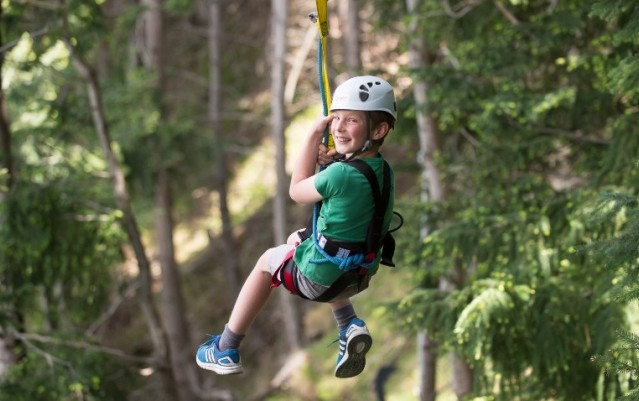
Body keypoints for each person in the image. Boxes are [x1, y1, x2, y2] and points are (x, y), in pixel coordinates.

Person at [195, 75, 398, 379]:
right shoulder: (381, 170)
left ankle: (227, 346)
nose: (339, 127)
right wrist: (332, 161)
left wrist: (313, 136)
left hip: (322, 278)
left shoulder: (340, 175)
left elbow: (297, 190)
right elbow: (349, 194)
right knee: (296, 240)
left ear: (379, 129)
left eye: (351, 120)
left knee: (266, 263)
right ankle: (348, 323)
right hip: (359, 273)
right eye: (336, 119)